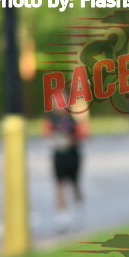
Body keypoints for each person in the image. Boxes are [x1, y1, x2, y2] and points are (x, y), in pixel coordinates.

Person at [44, 98, 87, 232]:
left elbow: (82, 135)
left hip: (72, 156)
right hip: (59, 156)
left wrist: (71, 140)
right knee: (60, 184)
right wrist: (54, 140)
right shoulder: (52, 120)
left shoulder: (73, 120)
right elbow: (46, 135)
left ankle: (78, 208)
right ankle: (62, 216)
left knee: (74, 183)